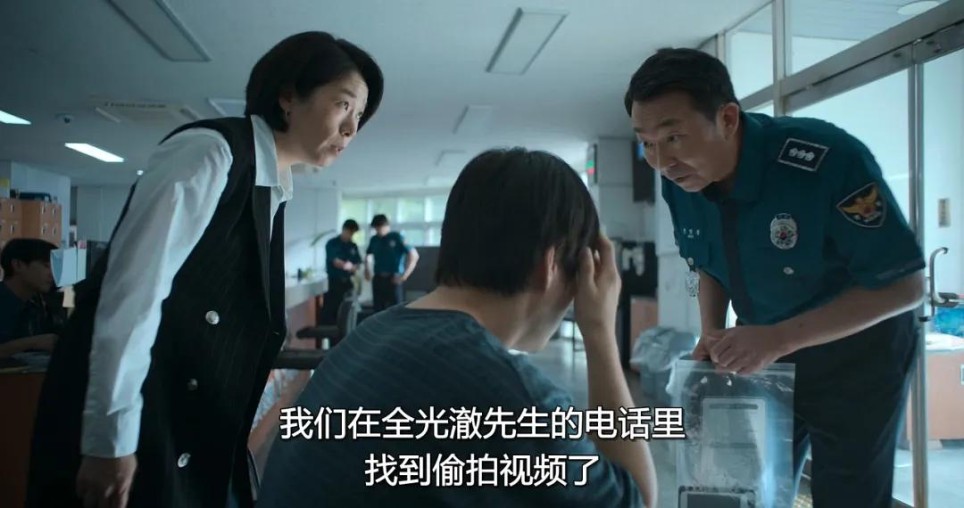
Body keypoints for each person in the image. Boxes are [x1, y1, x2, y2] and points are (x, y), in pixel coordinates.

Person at [27, 31, 383, 508]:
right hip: (141, 421)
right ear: (288, 96)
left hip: (190, 421)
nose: (351, 128)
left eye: (360, 115)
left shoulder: (273, 189)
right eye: (343, 105)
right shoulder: (211, 153)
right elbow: (133, 297)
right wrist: (109, 440)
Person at [257, 148, 657, 508]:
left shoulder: (374, 332)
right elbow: (637, 499)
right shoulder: (511, 397)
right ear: (551, 266)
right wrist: (600, 334)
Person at [625, 47, 925, 507]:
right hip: (768, 355)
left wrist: (778, 338)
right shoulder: (680, 179)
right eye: (646, 143)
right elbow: (706, 261)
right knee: (748, 486)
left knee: (848, 495)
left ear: (727, 118)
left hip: (857, 359)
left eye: (674, 137)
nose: (661, 160)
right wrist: (712, 333)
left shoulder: (824, 161)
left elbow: (905, 285)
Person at [0, 238, 61, 358]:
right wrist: (33, 342)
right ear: (18, 265)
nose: (52, 274)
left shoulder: (40, 303)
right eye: (46, 266)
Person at [364, 214, 419, 311]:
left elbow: (414, 255)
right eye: (375, 228)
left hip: (394, 279)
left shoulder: (397, 237)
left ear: (386, 226)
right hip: (378, 278)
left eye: (379, 228)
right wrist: (367, 270)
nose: (377, 231)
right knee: (378, 310)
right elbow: (368, 256)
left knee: (396, 310)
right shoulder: (374, 239)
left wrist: (405, 275)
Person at [319, 219, 362, 325]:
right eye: (350, 233)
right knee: (331, 311)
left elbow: (357, 263)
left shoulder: (353, 246)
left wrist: (353, 267)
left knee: (347, 312)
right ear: (344, 229)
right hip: (334, 282)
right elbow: (335, 262)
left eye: (353, 233)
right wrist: (348, 266)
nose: (351, 236)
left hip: (348, 283)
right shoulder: (332, 243)